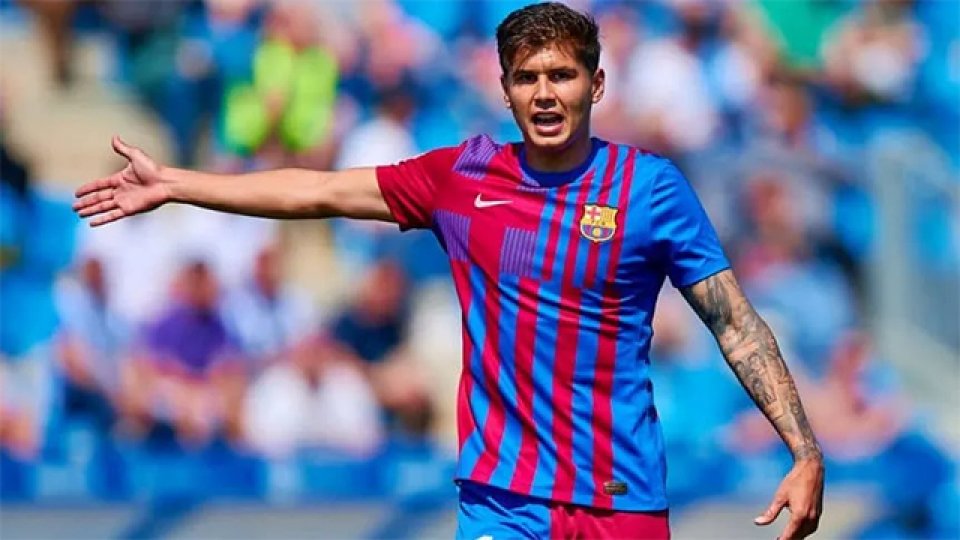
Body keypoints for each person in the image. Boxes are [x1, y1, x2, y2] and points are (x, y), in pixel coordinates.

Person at [73, 3, 824, 538]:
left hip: (619, 496)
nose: (544, 93)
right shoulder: (462, 179)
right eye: (526, 77)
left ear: (596, 86)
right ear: (505, 89)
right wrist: (178, 183)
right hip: (504, 496)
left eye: (562, 75)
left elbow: (735, 324)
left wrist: (802, 449)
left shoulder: (650, 189)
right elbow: (319, 190)